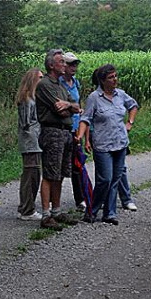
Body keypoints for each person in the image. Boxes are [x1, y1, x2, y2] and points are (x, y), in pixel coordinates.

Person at [77, 64, 138, 225]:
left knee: (116, 179)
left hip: (120, 142)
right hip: (103, 144)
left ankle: (110, 213)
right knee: (105, 179)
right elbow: (86, 119)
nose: (115, 80)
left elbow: (133, 105)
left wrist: (130, 122)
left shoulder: (121, 95)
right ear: (102, 81)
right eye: (111, 77)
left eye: (115, 76)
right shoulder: (94, 98)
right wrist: (81, 136)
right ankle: (92, 210)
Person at [35, 49, 81, 230]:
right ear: (51, 65)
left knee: (60, 173)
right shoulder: (45, 85)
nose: (65, 64)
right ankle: (46, 214)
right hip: (52, 132)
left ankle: (57, 210)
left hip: (65, 132)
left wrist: (69, 105)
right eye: (61, 62)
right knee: (49, 173)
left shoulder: (61, 85)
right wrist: (69, 107)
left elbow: (75, 107)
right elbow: (58, 109)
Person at [59, 52, 87, 212]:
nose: (73, 67)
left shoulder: (75, 83)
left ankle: (80, 198)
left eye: (75, 64)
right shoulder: (59, 83)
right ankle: (53, 200)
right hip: (65, 128)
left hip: (76, 129)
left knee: (77, 165)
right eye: (70, 64)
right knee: (61, 165)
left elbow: (78, 104)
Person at [16, 68, 44, 221]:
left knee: (33, 174)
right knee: (30, 175)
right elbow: (25, 123)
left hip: (35, 141)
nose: (42, 80)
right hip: (30, 142)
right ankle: (27, 209)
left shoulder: (33, 98)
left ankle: (27, 206)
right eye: (39, 77)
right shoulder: (27, 99)